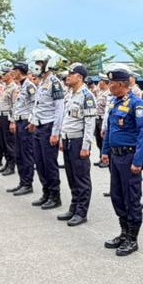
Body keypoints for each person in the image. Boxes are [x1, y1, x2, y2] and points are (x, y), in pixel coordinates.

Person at [100, 69, 143, 256]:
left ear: (121, 84)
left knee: (131, 198)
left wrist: (138, 161)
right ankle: (123, 232)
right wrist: (105, 152)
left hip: (130, 158)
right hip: (115, 156)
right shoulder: (114, 102)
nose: (109, 86)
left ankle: (132, 238)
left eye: (112, 83)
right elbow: (110, 129)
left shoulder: (136, 104)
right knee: (117, 195)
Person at [53, 64, 98, 226]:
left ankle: (81, 211)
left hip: (79, 141)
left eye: (71, 74)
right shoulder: (69, 94)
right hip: (67, 139)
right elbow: (66, 118)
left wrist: (86, 146)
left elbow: (90, 123)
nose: (68, 77)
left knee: (81, 178)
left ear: (80, 77)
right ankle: (74, 206)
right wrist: (61, 137)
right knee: (71, 176)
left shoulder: (86, 96)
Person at [28, 49, 65, 208]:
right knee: (39, 162)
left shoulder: (55, 83)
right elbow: (37, 106)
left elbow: (59, 109)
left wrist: (56, 132)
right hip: (38, 126)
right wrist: (32, 121)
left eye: (40, 63)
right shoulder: (42, 81)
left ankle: (55, 196)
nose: (37, 66)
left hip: (49, 127)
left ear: (48, 64)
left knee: (49, 163)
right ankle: (46, 192)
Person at [7, 63, 38, 197]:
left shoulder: (30, 86)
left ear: (19, 71)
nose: (12, 73)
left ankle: (27, 184)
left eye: (14, 70)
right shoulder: (20, 86)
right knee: (18, 154)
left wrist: (31, 122)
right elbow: (17, 106)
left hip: (26, 122)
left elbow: (35, 105)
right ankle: (22, 181)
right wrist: (13, 121)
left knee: (26, 154)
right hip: (18, 121)